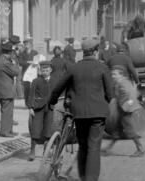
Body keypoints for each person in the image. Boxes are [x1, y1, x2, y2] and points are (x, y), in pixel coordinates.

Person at [49, 37, 113, 181]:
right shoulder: (102, 67)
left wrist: (52, 102)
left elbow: (58, 87)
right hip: (97, 114)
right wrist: (104, 102)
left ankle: (84, 177)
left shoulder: (74, 68)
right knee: (94, 147)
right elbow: (110, 93)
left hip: (79, 114)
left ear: (83, 52)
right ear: (95, 51)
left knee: (83, 145)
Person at [103, 66, 145, 157]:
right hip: (122, 109)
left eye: (115, 74)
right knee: (116, 130)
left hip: (126, 110)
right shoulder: (119, 83)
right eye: (112, 74)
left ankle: (140, 149)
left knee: (129, 130)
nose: (113, 76)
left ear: (121, 75)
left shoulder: (124, 82)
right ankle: (108, 148)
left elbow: (132, 94)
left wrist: (126, 106)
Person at [0, 40, 21, 137]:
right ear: (9, 53)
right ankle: (5, 132)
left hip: (0, 89)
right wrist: (14, 62)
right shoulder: (6, 63)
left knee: (7, 111)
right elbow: (16, 72)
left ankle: (9, 130)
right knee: (7, 112)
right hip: (6, 90)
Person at [27, 60, 54, 161]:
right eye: (43, 70)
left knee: (48, 129)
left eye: (47, 70)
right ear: (40, 71)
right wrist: (30, 107)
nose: (45, 72)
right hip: (38, 108)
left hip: (50, 108)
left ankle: (46, 151)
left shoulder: (54, 81)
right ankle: (32, 151)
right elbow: (31, 95)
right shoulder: (36, 81)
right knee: (35, 129)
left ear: (50, 70)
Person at [17, 38, 38, 105]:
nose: (26, 45)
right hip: (25, 73)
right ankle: (27, 102)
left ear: (31, 45)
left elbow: (37, 61)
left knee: (34, 88)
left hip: (33, 73)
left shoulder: (35, 52)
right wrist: (28, 62)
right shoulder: (22, 53)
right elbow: (20, 62)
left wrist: (34, 63)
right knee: (26, 88)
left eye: (28, 44)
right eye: (25, 44)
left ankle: (33, 102)